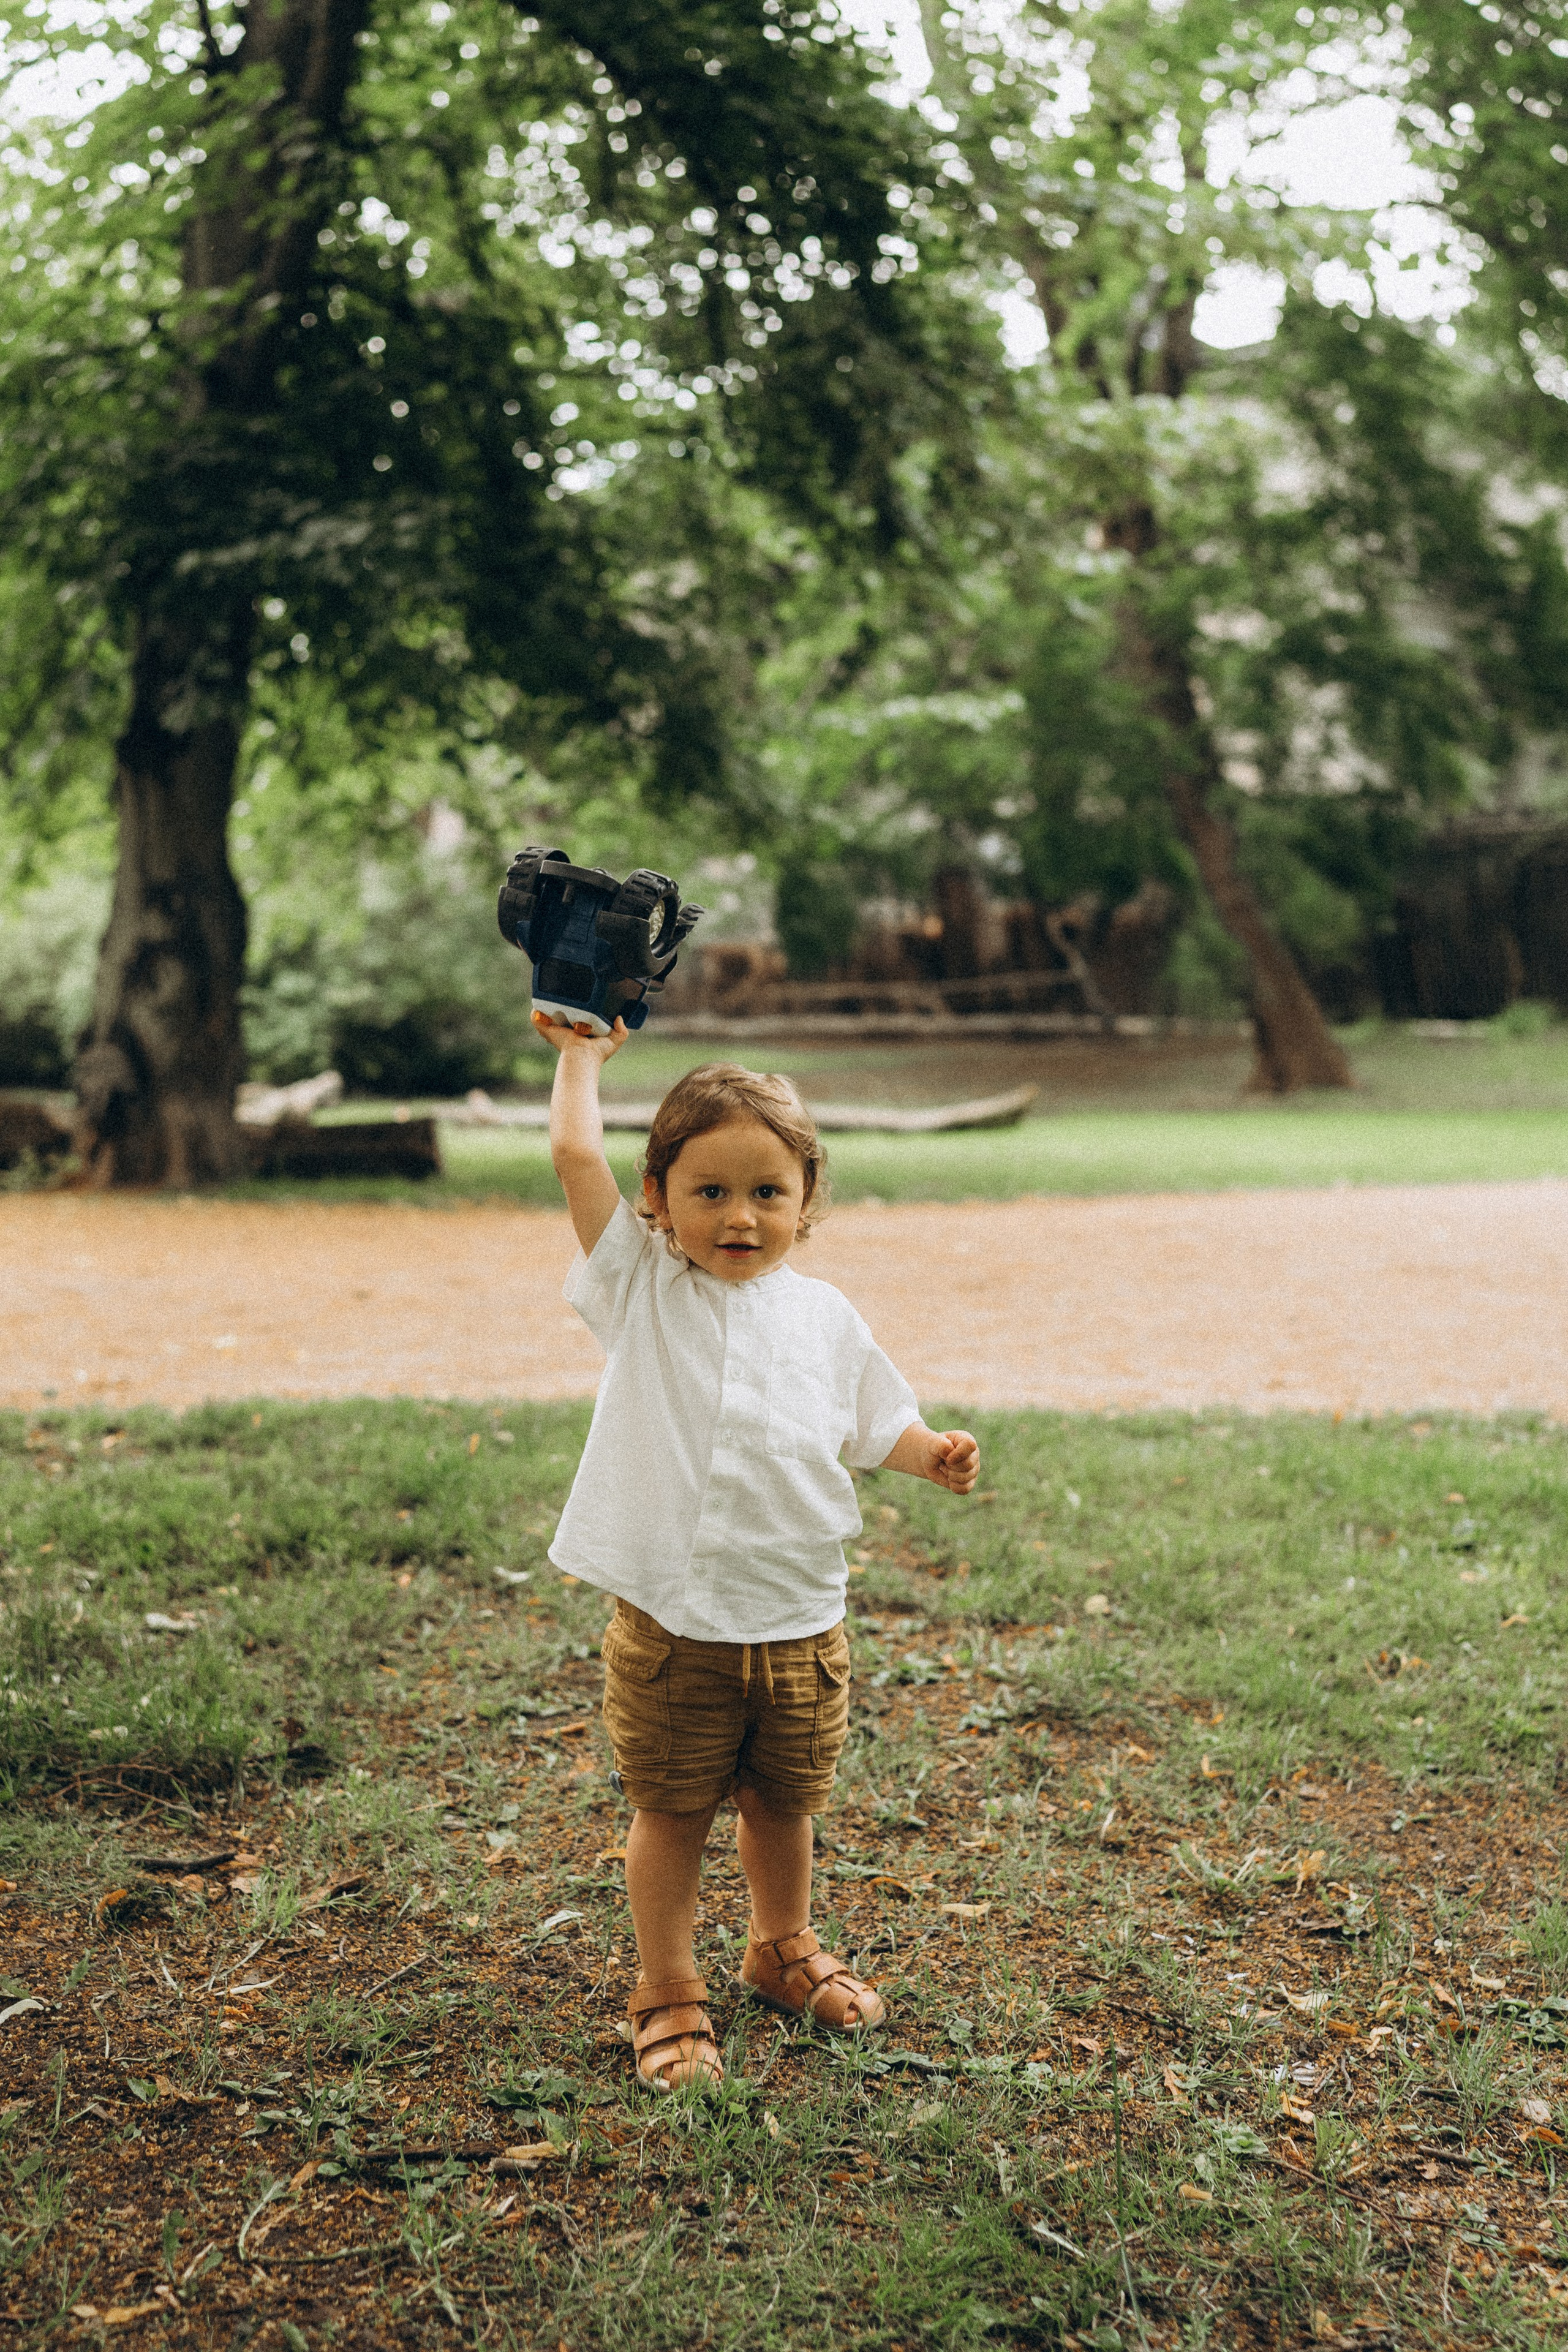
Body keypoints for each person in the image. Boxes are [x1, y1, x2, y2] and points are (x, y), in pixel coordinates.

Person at [533, 1008, 981, 2092]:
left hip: (800, 1613)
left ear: (807, 1203)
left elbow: (873, 1423)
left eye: (768, 1193)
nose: (740, 1216)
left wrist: (930, 1454)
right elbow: (571, 1153)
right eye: (710, 1192)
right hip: (679, 1623)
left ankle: (781, 1949)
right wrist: (582, 1058)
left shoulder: (825, 1317)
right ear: (659, 1202)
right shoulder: (642, 1291)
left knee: (786, 1803)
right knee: (674, 1809)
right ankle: (669, 1988)